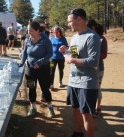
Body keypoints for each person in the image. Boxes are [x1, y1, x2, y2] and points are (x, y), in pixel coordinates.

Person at [59, 8, 100, 137]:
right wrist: (65, 51)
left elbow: (93, 61)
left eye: (70, 21)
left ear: (80, 19)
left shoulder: (92, 37)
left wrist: (71, 59)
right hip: (74, 80)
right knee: (75, 110)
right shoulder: (75, 37)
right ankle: (77, 133)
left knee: (86, 114)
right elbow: (75, 55)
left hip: (87, 82)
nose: (68, 24)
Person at [19, 21, 55, 118]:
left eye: (30, 30)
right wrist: (22, 63)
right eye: (28, 30)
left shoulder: (45, 40)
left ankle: (50, 107)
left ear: (38, 30)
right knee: (31, 87)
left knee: (45, 89)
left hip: (43, 69)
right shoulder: (27, 40)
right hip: (30, 69)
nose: (28, 32)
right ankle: (33, 107)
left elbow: (50, 53)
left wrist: (40, 62)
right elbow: (25, 53)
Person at [87, 20, 108, 118]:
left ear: (93, 28)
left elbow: (104, 55)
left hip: (98, 69)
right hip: (86, 68)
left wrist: (95, 50)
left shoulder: (102, 39)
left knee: (97, 89)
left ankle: (98, 107)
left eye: (88, 27)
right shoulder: (85, 37)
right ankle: (89, 107)